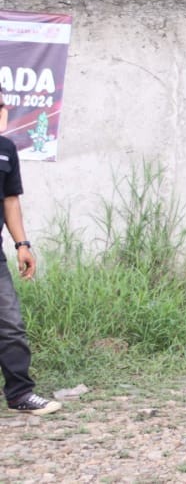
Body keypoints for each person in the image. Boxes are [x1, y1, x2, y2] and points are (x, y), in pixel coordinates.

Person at [0, 131, 60, 415]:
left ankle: (20, 394)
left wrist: (22, 244)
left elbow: (10, 200)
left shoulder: (6, 148)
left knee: (10, 325)